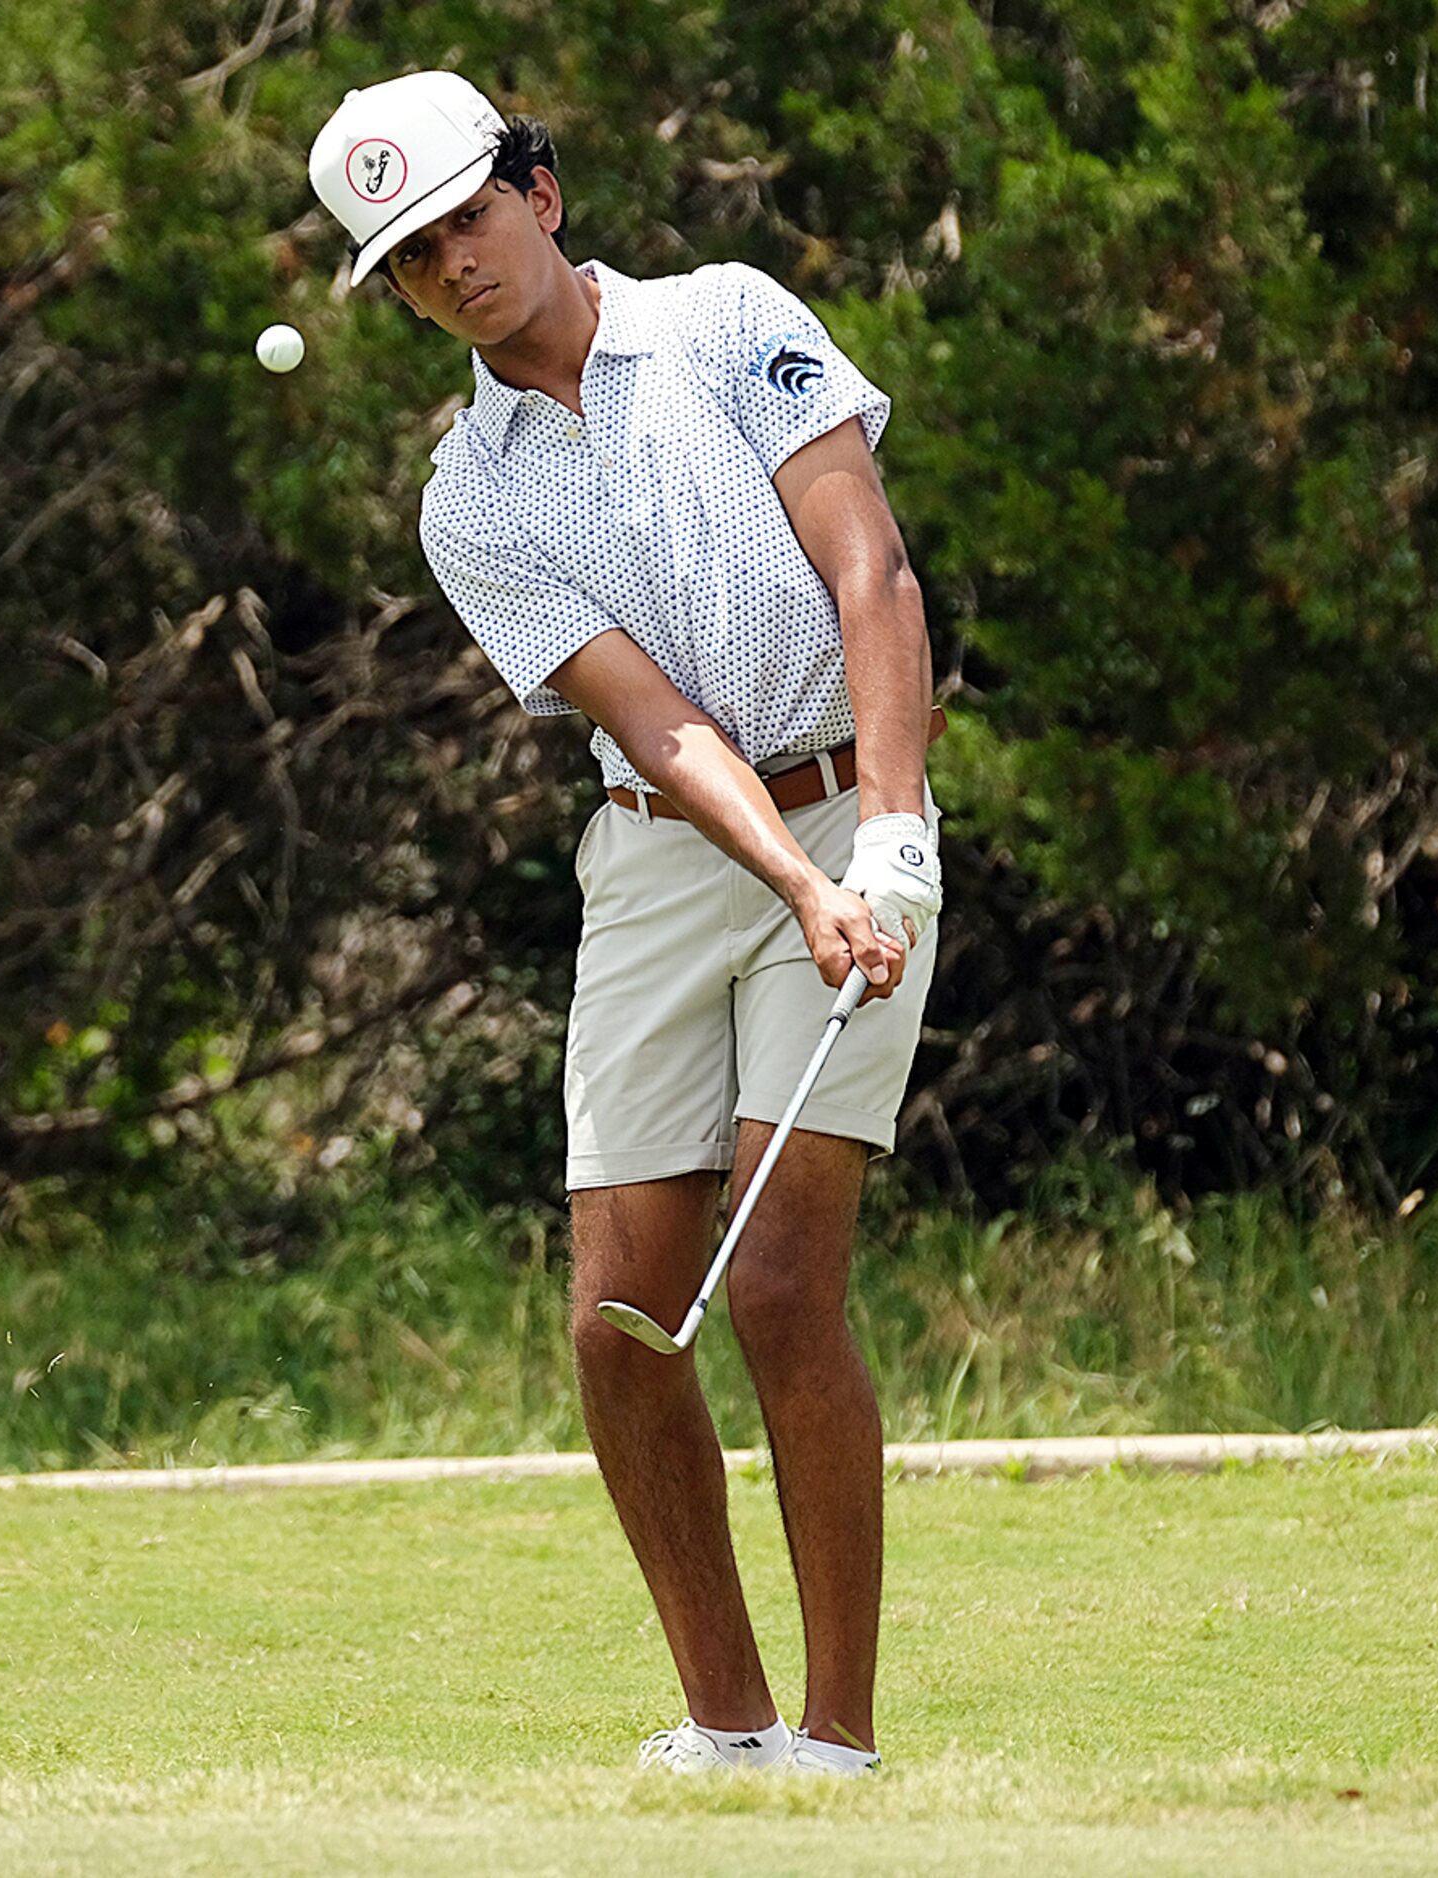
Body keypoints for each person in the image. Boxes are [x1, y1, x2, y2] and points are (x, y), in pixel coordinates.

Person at [308, 71, 944, 1777]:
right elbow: (656, 724)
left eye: (464, 218)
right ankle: (726, 1720)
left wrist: (881, 839)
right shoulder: (471, 499)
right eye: (410, 258)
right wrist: (792, 886)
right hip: (666, 860)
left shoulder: (733, 323)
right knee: (616, 1318)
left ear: (542, 190)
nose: (450, 266)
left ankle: (839, 1733)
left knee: (781, 1290)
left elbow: (868, 571)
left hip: (853, 805)